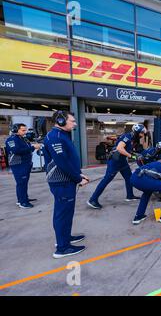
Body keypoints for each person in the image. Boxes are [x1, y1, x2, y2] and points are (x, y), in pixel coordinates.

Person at [43, 111, 90, 259]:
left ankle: (65, 238)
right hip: (61, 181)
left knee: (67, 211)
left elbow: (68, 159)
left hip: (66, 180)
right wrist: (77, 178)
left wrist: (78, 174)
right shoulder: (55, 137)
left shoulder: (61, 135)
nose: (75, 124)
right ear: (61, 121)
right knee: (62, 213)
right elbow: (62, 162)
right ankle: (62, 248)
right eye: (72, 121)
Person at [87, 124, 146, 209]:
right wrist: (131, 156)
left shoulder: (133, 138)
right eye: (142, 133)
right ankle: (93, 199)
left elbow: (126, 149)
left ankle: (130, 196)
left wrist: (135, 154)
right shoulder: (127, 137)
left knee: (129, 177)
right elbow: (119, 148)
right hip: (115, 161)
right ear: (137, 132)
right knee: (106, 180)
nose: (142, 135)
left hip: (122, 161)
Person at [5, 123, 41, 208]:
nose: (25, 132)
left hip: (25, 164)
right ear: (15, 130)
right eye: (23, 130)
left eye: (25, 130)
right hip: (18, 164)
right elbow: (16, 150)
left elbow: (26, 148)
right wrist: (33, 147)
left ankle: (23, 198)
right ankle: (22, 202)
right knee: (21, 183)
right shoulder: (11, 139)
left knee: (24, 183)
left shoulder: (22, 138)